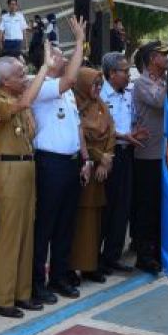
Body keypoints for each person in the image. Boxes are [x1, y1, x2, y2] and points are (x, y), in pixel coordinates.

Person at [0, 55, 50, 317]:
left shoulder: (18, 103)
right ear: (5, 80)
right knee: (9, 234)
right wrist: (44, 66)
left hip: (26, 166)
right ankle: (1, 298)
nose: (25, 78)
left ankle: (21, 293)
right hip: (8, 167)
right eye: (20, 75)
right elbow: (25, 101)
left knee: (26, 231)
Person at [29, 17, 89, 302]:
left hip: (70, 162)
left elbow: (77, 127)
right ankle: (36, 282)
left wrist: (85, 159)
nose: (61, 56)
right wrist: (79, 41)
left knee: (66, 223)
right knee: (46, 224)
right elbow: (71, 79)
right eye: (55, 53)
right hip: (50, 164)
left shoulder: (66, 93)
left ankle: (59, 276)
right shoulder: (37, 85)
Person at [99, 53, 144, 274]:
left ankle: (112, 256)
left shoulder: (129, 95)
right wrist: (123, 136)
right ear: (111, 73)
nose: (128, 75)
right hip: (108, 154)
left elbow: (132, 121)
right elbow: (100, 127)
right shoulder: (99, 94)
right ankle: (95, 258)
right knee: (104, 207)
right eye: (124, 71)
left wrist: (134, 134)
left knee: (122, 207)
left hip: (127, 153)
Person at [69, 67, 115, 282]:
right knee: (79, 222)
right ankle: (74, 265)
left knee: (97, 219)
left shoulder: (101, 106)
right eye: (93, 85)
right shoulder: (74, 106)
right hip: (83, 169)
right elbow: (78, 139)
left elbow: (111, 134)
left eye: (100, 85)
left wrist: (106, 160)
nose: (97, 89)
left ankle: (91, 264)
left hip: (100, 172)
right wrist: (97, 156)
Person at [132, 40, 168, 274]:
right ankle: (144, 255)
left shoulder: (162, 82)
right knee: (147, 206)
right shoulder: (141, 83)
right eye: (164, 56)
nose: (167, 59)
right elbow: (159, 101)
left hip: (163, 153)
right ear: (153, 58)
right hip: (147, 155)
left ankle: (157, 250)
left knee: (159, 205)